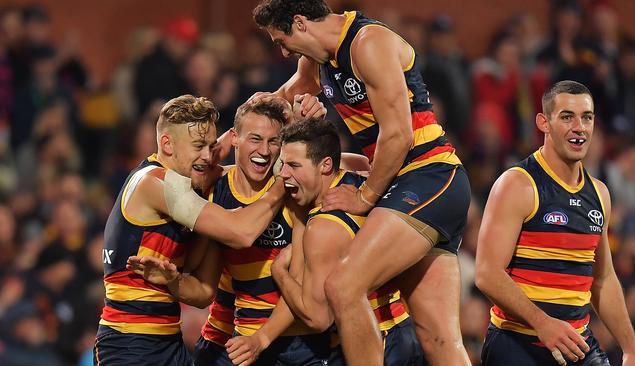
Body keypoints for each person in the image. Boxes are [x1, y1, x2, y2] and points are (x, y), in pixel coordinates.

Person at [251, 1, 471, 365]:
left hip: (430, 177)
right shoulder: (318, 60)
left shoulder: (368, 43)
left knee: (343, 286)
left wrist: (365, 196)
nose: (283, 51)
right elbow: (281, 97)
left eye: (281, 41)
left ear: (300, 23)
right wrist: (232, 136)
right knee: (438, 339)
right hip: (419, 186)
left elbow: (399, 134)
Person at [94, 95, 286, 365]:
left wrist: (174, 282)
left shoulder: (195, 195)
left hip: (170, 343)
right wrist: (284, 181)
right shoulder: (155, 183)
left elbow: (204, 292)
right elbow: (242, 232)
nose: (208, 156)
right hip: (128, 344)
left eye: (210, 145)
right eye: (198, 146)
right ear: (167, 144)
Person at [475, 80, 635, 366]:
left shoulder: (600, 194)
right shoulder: (517, 184)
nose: (579, 127)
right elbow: (487, 273)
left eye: (586, 117)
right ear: (544, 123)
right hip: (517, 343)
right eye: (567, 117)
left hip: (578, 344)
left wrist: (630, 349)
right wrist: (543, 323)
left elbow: (603, 279)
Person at [192, 98, 335, 366]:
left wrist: (309, 127)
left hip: (298, 341)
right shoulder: (214, 189)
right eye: (255, 139)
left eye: (274, 142)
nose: (264, 151)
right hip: (235, 337)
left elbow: (302, 281)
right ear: (233, 138)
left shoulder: (296, 192)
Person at [271, 118, 424, 366]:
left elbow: (317, 317)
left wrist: (279, 272)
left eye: (294, 165)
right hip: (404, 330)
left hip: (371, 342)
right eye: (283, 163)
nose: (284, 174)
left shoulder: (323, 226)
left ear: (325, 165)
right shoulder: (359, 182)